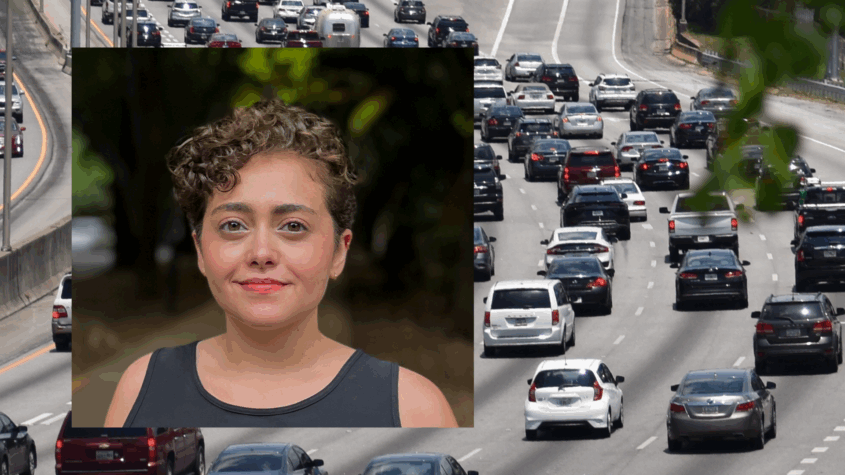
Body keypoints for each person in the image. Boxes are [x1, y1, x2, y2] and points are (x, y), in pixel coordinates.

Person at [104, 99, 458, 428]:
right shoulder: (141, 388)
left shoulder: (414, 409)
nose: (261, 253)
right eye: (233, 226)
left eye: (293, 226)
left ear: (339, 252)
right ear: (200, 250)